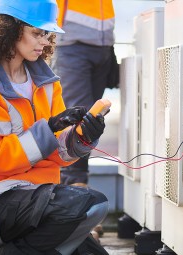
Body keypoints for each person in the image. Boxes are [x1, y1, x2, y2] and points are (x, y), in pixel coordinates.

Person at [0, 0, 109, 254]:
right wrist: (48, 128)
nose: (45, 41)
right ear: (8, 30)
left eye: (47, 34)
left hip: (39, 197)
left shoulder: (47, 84)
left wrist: (82, 137)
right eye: (37, 33)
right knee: (90, 204)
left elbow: (58, 154)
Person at [52, 0, 117, 188]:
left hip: (103, 45)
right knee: (78, 116)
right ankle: (73, 184)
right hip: (71, 45)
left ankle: (76, 183)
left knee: (93, 117)